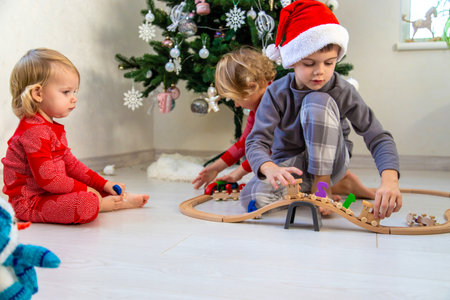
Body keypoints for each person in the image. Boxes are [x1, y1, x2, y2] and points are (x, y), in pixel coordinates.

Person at [242, 0, 402, 219]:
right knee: (252, 199)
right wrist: (269, 167)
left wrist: (390, 181)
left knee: (316, 101)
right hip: (293, 165)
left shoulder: (341, 90)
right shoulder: (276, 93)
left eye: (329, 63)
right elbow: (255, 141)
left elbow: (377, 136)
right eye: (309, 64)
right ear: (292, 60)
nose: (320, 72)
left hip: (332, 161)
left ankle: (322, 187)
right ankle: (333, 188)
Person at [2, 48, 149, 224]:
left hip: (50, 192)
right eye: (66, 92)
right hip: (30, 202)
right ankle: (103, 204)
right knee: (86, 202)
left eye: (74, 92)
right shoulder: (33, 131)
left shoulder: (48, 126)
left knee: (91, 189)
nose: (74, 98)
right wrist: (87, 190)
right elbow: (48, 180)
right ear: (38, 94)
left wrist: (102, 184)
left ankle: (116, 199)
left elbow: (71, 165)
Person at [192, 47, 276, 189]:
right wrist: (217, 167)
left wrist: (238, 173)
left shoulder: (276, 103)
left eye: (236, 99)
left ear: (252, 87)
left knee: (253, 195)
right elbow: (245, 142)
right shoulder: (259, 105)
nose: (236, 105)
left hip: (301, 162)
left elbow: (269, 149)